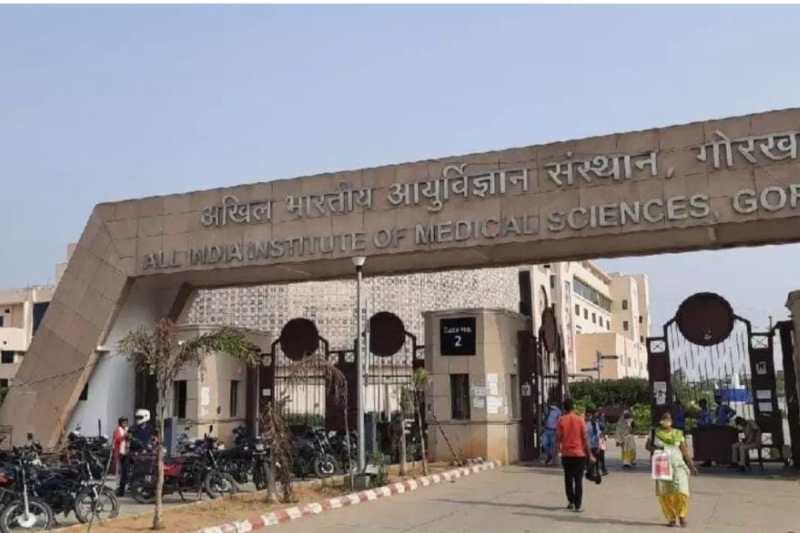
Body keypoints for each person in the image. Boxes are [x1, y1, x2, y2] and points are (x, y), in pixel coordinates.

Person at [647, 411, 697, 528]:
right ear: (660, 420)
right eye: (664, 418)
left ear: (672, 421)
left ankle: (682, 515)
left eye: (668, 418)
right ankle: (671, 518)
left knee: (682, 491)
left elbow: (684, 450)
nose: (666, 420)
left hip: (678, 465)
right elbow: (648, 446)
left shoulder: (678, 433)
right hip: (661, 463)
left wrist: (691, 465)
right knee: (665, 493)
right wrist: (659, 450)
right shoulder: (654, 432)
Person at [556, 398, 594, 512]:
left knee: (568, 479)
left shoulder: (561, 420)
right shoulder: (580, 420)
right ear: (573, 407)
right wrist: (590, 454)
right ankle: (578, 505)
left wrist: (558, 450)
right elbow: (585, 439)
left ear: (564, 408)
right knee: (578, 480)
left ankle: (571, 501)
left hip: (566, 454)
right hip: (579, 454)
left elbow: (558, 437)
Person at [585, 408, 607, 476]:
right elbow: (586, 435)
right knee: (591, 458)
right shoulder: (587, 425)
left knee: (598, 458)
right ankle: (592, 471)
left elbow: (599, 433)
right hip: (590, 444)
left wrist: (601, 439)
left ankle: (598, 471)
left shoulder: (596, 424)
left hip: (596, 444)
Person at [113, 416, 130, 497]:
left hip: (127, 453)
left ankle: (124, 489)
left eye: (126, 422)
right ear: (120, 423)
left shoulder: (126, 430)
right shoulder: (118, 430)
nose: (125, 424)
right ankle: (119, 490)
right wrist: (125, 436)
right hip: (120, 454)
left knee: (126, 472)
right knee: (121, 473)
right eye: (123, 422)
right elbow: (117, 439)